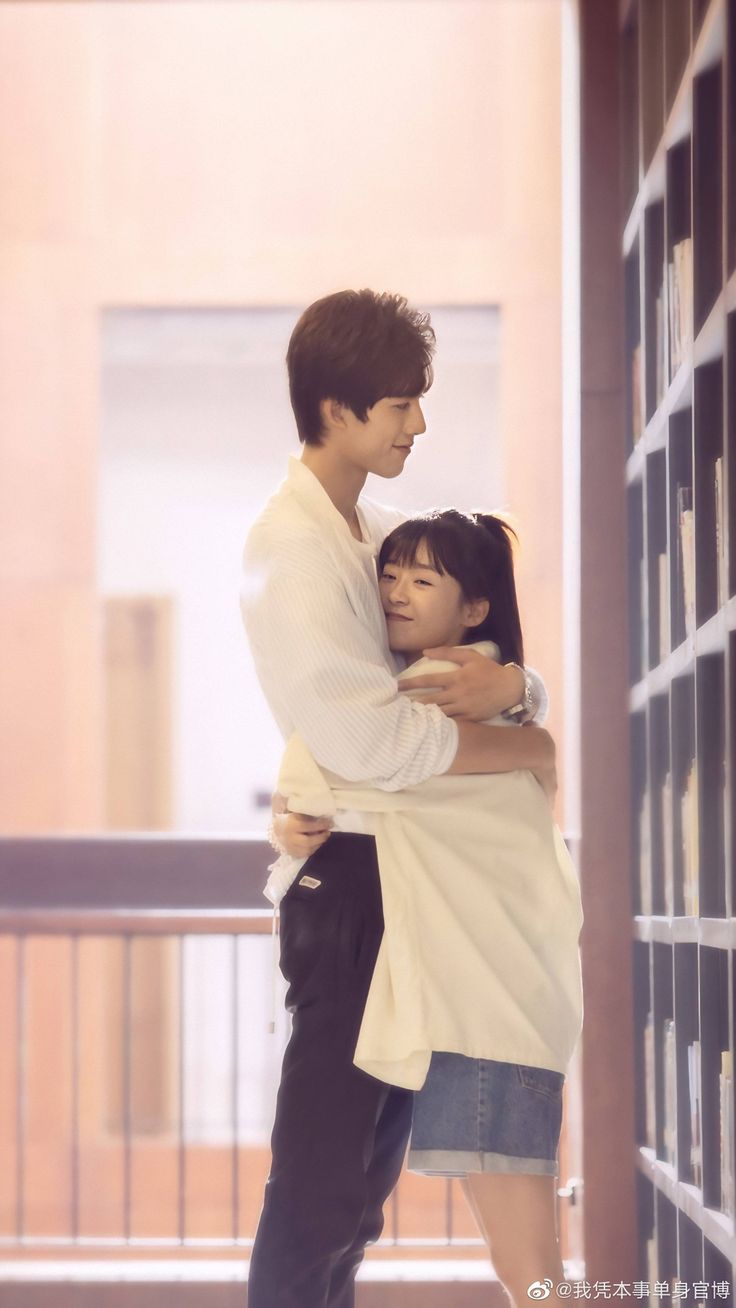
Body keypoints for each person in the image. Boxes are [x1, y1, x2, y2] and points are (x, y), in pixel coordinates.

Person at [240, 288, 557, 1308]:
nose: (418, 425)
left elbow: (479, 636)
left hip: (396, 877)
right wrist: (525, 747)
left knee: (358, 1192)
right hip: (351, 886)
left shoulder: (372, 530)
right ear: (335, 410)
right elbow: (369, 740)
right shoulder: (289, 551)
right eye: (399, 405)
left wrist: (520, 692)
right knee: (323, 1192)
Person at [272, 508, 584, 1307]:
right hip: (496, 1004)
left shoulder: (435, 688)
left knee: (533, 1275)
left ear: (474, 608)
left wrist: (291, 807)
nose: (396, 593)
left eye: (423, 579)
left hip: (489, 1018)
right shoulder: (494, 690)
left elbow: (333, 754)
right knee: (531, 1271)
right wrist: (531, 709)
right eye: (390, 573)